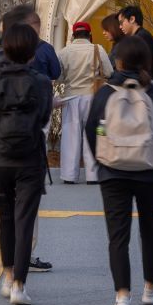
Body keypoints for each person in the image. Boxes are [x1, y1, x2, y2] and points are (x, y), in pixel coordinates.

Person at [85, 33, 153, 305]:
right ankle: (151, 288)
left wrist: (100, 158)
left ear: (117, 60)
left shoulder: (105, 92)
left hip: (112, 169)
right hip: (150, 170)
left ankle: (122, 296)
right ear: (146, 62)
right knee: (149, 230)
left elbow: (92, 127)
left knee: (118, 235)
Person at [0, 22, 54, 305]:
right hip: (30, 156)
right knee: (25, 220)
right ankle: (20, 287)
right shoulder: (41, 81)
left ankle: (8, 275)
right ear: (32, 51)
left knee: (6, 218)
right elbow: (46, 116)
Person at [56, 20, 113, 184]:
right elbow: (108, 72)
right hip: (92, 96)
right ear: (90, 35)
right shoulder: (98, 49)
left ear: (73, 35)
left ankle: (69, 175)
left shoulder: (64, 52)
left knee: (70, 136)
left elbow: (58, 77)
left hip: (71, 96)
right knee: (93, 135)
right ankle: (93, 175)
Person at [116, 5, 153, 85]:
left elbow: (142, 67)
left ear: (132, 19)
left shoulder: (141, 37)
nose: (120, 26)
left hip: (147, 87)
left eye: (121, 22)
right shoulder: (140, 36)